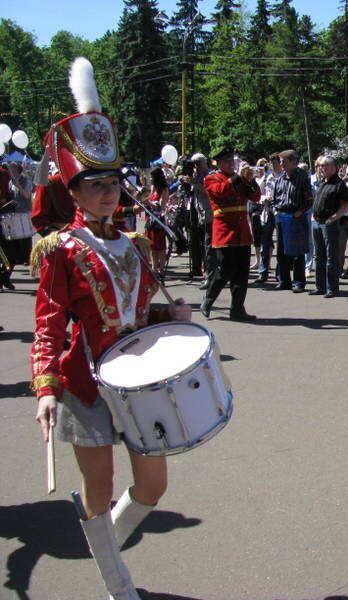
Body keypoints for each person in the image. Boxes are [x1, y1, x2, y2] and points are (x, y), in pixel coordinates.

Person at [30, 57, 193, 600]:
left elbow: (139, 313)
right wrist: (47, 387)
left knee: (153, 485)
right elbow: (50, 323)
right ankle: (117, 585)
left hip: (141, 378)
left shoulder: (137, 244)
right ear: (72, 191)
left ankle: (104, 550)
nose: (107, 193)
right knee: (97, 492)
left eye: (112, 183)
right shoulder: (60, 250)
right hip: (85, 386)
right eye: (93, 184)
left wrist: (168, 316)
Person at [200, 147, 259, 321]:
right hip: (225, 231)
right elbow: (220, 192)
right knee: (225, 270)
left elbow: (255, 197)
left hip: (242, 232)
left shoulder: (238, 179)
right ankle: (208, 300)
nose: (231, 164)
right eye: (227, 161)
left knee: (242, 273)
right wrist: (239, 177)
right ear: (218, 163)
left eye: (232, 161)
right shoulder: (211, 178)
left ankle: (237, 309)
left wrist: (250, 180)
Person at [273, 149, 313, 292]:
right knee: (281, 251)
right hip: (281, 216)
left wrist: (300, 211)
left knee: (297, 252)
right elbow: (275, 197)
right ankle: (284, 281)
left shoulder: (302, 177)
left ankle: (299, 282)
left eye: (285, 161)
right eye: (281, 161)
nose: (282, 164)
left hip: (295, 216)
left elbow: (309, 198)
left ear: (293, 162)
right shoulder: (280, 178)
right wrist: (275, 209)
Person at [310, 156, 348, 298]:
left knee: (330, 257)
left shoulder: (339, 185)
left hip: (329, 224)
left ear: (333, 167)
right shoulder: (322, 183)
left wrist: (332, 219)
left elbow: (344, 207)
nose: (321, 168)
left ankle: (332, 288)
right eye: (320, 165)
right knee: (318, 256)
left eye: (324, 165)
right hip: (316, 223)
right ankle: (320, 287)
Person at [254, 152, 281, 285]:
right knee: (265, 242)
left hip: (280, 212)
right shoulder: (267, 177)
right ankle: (263, 272)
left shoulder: (284, 176)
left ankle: (280, 274)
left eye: (275, 162)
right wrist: (265, 198)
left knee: (281, 243)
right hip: (267, 211)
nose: (274, 165)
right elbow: (258, 195)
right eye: (272, 163)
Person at [190, 153, 214, 290]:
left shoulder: (208, 175)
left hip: (209, 215)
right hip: (200, 215)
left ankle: (210, 277)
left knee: (209, 248)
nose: (196, 166)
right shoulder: (197, 175)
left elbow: (208, 191)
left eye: (198, 163)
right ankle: (207, 274)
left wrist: (194, 183)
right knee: (204, 247)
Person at [145, 167, 169, 279]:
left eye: (152, 177)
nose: (151, 179)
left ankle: (162, 269)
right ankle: (154, 268)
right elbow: (149, 198)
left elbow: (161, 206)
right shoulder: (153, 187)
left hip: (159, 219)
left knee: (160, 246)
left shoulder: (164, 189)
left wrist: (149, 202)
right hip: (150, 218)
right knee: (152, 246)